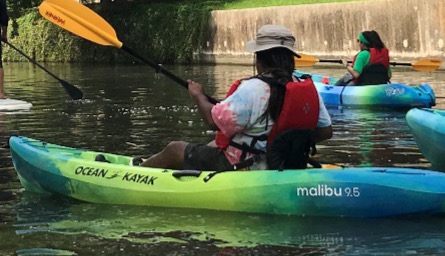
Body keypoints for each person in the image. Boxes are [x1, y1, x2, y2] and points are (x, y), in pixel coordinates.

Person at [143, 24, 333, 172]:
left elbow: (212, 121)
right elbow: (325, 131)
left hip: (246, 165)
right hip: (288, 162)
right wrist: (288, 145)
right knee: (211, 144)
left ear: (259, 58)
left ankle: (132, 175)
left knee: (175, 149)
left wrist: (198, 95)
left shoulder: (252, 88)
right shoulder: (306, 87)